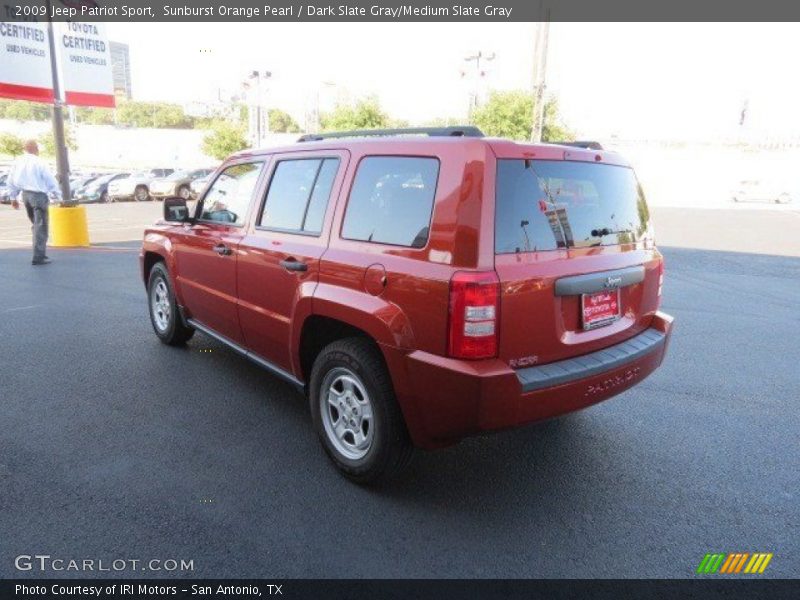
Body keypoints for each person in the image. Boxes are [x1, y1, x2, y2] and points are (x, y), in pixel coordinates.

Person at [7, 140, 62, 265]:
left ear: (24, 149)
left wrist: (13, 198)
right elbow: (50, 180)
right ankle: (39, 256)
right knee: (41, 226)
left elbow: (11, 180)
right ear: (36, 149)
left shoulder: (17, 162)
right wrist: (57, 196)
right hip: (38, 195)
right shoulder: (39, 162)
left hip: (25, 195)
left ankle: (38, 250)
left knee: (35, 224)